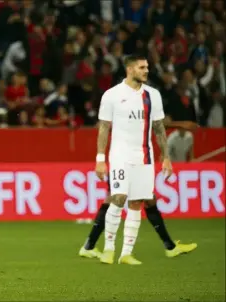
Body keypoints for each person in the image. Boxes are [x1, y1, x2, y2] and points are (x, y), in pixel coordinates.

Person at [94, 54, 174, 265]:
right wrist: (100, 158)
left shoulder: (153, 95)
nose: (146, 70)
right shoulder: (112, 95)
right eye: (141, 67)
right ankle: (109, 248)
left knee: (137, 202)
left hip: (144, 156)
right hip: (120, 154)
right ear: (129, 69)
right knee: (118, 197)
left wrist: (166, 156)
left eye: (147, 67)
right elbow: (104, 127)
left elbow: (159, 127)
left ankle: (126, 253)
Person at [79, 120, 198, 259]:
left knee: (144, 199)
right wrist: (180, 125)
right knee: (121, 199)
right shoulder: (128, 106)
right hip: (125, 161)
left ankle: (89, 245)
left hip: (132, 160)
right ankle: (169, 247)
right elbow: (152, 123)